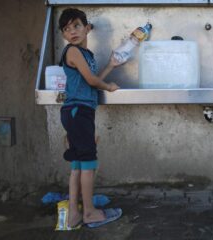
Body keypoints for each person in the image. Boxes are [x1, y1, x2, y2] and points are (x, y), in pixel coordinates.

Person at [59, 8, 122, 228]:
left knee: (78, 164)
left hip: (78, 112)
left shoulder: (87, 55)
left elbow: (91, 79)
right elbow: (94, 82)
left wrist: (110, 67)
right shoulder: (73, 52)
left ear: (87, 28)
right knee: (88, 163)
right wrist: (109, 86)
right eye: (66, 29)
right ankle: (89, 213)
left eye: (76, 25)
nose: (72, 31)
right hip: (78, 111)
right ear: (64, 35)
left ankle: (74, 216)